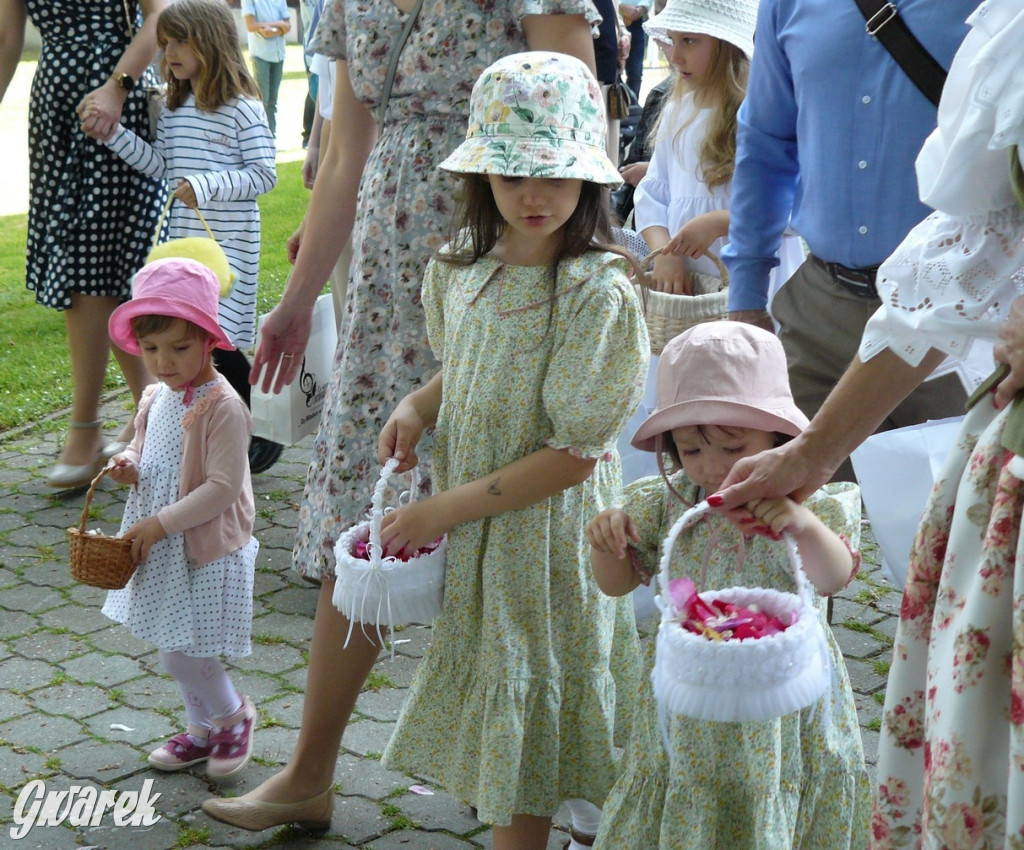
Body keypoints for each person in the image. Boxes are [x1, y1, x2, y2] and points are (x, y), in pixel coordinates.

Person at [199, 0, 605, 838]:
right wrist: (297, 297)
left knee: (522, 538)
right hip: (395, 276)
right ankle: (310, 772)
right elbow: (345, 149)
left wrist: (573, 278)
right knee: (367, 512)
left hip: (512, 245)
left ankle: (552, 779)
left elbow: (576, 116)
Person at [710, 2, 1024, 844]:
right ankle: (775, 783)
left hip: (972, 350)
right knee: (791, 559)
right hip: (841, 306)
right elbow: (766, 143)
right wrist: (751, 306)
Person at [372, 51, 648, 849]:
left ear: (588, 181)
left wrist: (442, 509)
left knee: (529, 707)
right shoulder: (464, 267)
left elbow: (573, 455)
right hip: (485, 537)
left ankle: (529, 825)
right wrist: (418, 405)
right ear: (481, 175)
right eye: (512, 174)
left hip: (547, 545)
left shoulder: (594, 294)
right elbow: (468, 364)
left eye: (555, 175)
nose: (534, 195)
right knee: (506, 693)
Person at [587, 321, 870, 848]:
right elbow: (616, 586)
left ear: (780, 442)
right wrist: (608, 546)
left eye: (733, 446)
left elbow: (833, 578)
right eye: (691, 451)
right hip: (694, 694)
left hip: (783, 699)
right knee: (692, 791)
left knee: (771, 796)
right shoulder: (667, 503)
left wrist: (800, 522)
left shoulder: (817, 503)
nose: (713, 468)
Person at [720, 0, 978, 481]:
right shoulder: (789, 4)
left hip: (956, 315)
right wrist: (747, 294)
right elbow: (765, 142)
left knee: (954, 529)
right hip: (820, 312)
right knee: (792, 525)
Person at [85, 0, 283, 475]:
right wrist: (113, 135)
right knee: (196, 333)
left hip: (229, 244)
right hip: (187, 242)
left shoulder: (243, 108)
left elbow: (264, 174)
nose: (168, 51)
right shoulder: (175, 109)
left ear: (210, 43)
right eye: (165, 41)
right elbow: (163, 168)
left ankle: (263, 428)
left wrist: (206, 186)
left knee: (225, 337)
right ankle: (212, 427)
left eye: (179, 41)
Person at [103, 257, 259, 779]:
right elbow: (147, 455)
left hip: (204, 545)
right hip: (165, 541)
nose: (163, 362)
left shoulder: (223, 407)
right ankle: (201, 730)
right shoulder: (156, 397)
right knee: (174, 643)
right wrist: (129, 466)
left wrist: (160, 523)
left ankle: (233, 716)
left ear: (209, 341)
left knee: (181, 652)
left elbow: (222, 487)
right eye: (150, 349)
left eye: (178, 347)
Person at [0, 0, 166, 490]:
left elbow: (159, 16)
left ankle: (87, 426)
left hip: (114, 99)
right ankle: (154, 411)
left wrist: (117, 89)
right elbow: (9, 38)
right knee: (92, 267)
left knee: (93, 267)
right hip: (57, 105)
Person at [635, 0, 803, 296]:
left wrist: (720, 221)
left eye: (690, 41)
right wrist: (665, 252)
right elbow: (652, 196)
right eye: (672, 40)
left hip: (754, 278)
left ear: (728, 45)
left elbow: (796, 209)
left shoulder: (764, 117)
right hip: (690, 281)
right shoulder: (677, 112)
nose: (675, 56)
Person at [241, 0, 290, 136]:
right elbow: (250, 26)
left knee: (273, 100)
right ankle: (260, 133)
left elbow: (288, 25)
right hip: (260, 54)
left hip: (279, 54)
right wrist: (279, 26)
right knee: (262, 98)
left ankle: (271, 134)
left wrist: (273, 29)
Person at [618, 1, 649, 99]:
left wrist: (642, 8)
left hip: (637, 20)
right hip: (613, 17)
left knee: (636, 72)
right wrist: (620, 6)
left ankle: (632, 108)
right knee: (613, 71)